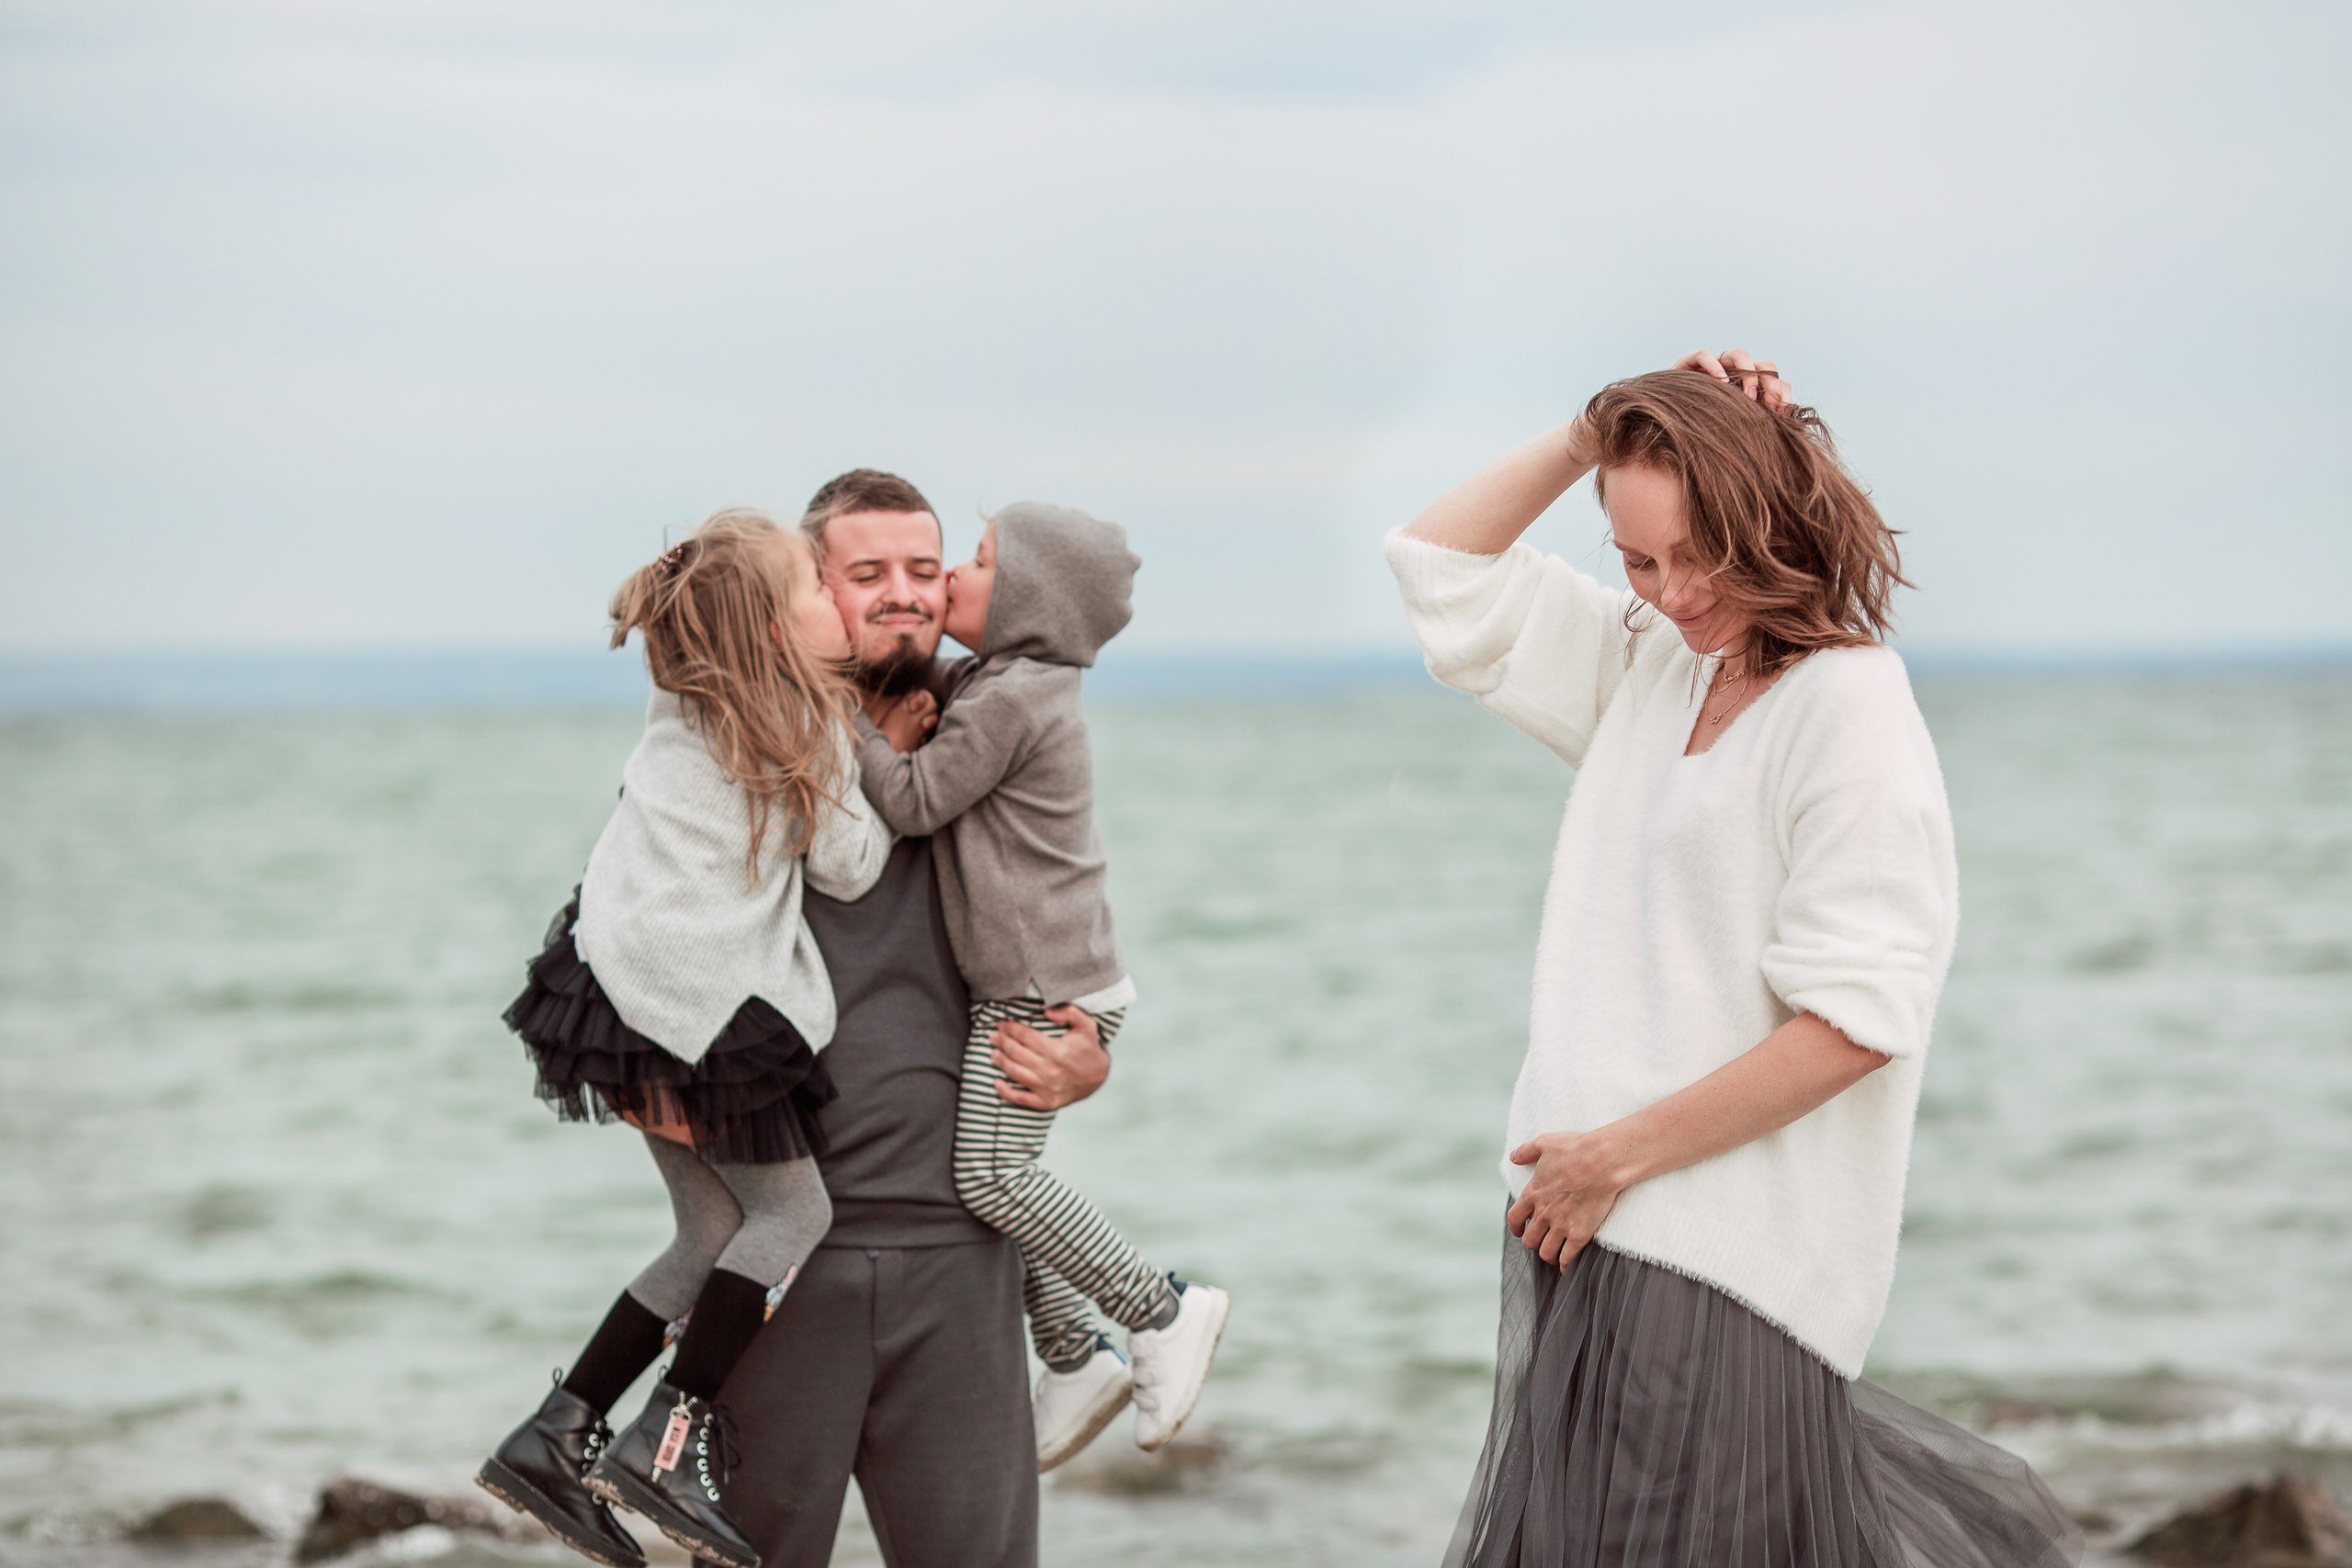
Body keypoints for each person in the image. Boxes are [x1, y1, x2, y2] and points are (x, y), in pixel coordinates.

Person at [1387, 352, 2084, 1567]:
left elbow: (1859, 1022)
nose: (1675, 590)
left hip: (1715, 1256)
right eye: (1640, 560)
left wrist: (1616, 1155)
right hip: (1593, 1233)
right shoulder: (1659, 668)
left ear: (1769, 512)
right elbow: (1440, 567)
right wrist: (1591, 429)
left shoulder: (1849, 708)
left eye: (1699, 551)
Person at [713, 469, 1115, 1568]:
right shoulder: (743, 738)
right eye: (866, 573)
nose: (903, 594)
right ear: (814, 590)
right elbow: (622, 932)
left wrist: (1089, 1061)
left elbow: (1067, 921)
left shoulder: (988, 722)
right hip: (786, 1255)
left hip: (961, 1250)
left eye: (925, 570)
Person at [478, 510, 889, 1568]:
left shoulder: (683, 696)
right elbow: (852, 867)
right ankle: (668, 1440)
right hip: (694, 1010)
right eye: (817, 588)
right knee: (794, 1213)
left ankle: (556, 1434)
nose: (836, 603)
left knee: (710, 1233)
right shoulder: (798, 725)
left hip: (611, 992)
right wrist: (877, 740)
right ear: (768, 626)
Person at [859, 502, 1231, 1472]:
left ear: (1024, 602)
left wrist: (847, 725)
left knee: (992, 1177)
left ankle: (1159, 1309)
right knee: (980, 1177)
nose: (946, 582)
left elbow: (912, 799)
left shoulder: (1013, 698)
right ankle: (1072, 1356)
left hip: (1039, 993)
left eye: (971, 565)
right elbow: (928, 684)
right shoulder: (1008, 680)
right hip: (1047, 981)